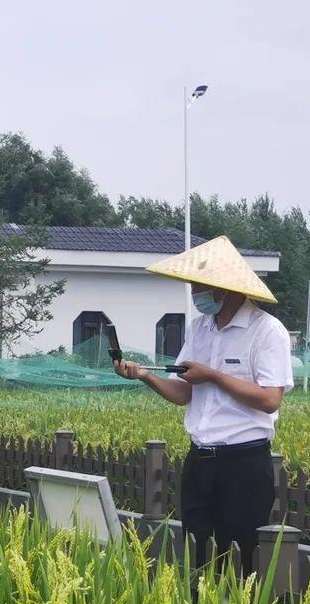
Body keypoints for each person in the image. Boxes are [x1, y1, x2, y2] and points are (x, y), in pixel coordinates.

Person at [114, 236, 294, 578]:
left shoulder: (267, 332)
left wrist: (213, 375)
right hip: (200, 460)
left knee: (241, 559)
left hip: (244, 462)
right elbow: (184, 392)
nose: (196, 293)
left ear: (224, 288)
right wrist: (143, 376)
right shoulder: (201, 329)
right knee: (198, 557)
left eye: (200, 285)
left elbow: (270, 398)